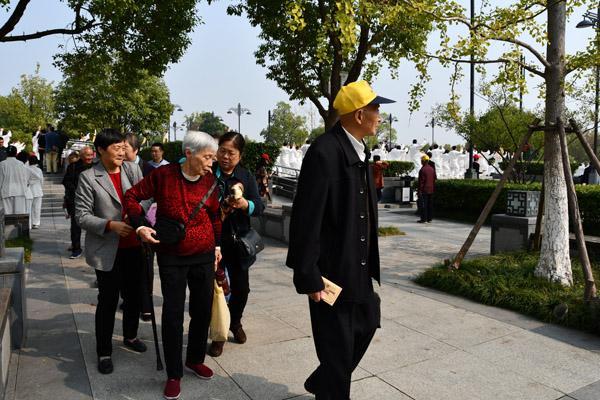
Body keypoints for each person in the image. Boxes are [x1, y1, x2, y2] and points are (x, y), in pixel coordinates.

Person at [287, 80, 391, 400]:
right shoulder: (324, 152)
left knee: (369, 320)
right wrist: (309, 275)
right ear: (359, 115)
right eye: (376, 109)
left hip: (356, 269)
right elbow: (306, 218)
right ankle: (328, 382)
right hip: (330, 274)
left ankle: (323, 378)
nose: (380, 116)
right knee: (337, 354)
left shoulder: (359, 151)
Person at [124, 131, 222, 400]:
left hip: (203, 255)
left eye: (213, 157)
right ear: (189, 153)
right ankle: (174, 373)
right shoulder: (163, 177)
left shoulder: (210, 180)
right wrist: (141, 226)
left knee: (202, 311)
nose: (211, 163)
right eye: (207, 157)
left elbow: (215, 215)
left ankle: (194, 359)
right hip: (172, 256)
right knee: (173, 314)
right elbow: (131, 197)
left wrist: (217, 246)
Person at [75, 129, 147, 375]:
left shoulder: (132, 169)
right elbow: (82, 216)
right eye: (116, 147)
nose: (121, 151)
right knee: (108, 301)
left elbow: (146, 198)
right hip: (107, 249)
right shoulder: (88, 177)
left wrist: (136, 212)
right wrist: (110, 225)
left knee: (134, 297)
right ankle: (104, 351)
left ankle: (130, 336)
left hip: (135, 246)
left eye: (123, 147)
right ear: (101, 151)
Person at [208, 131, 265, 358]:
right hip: (213, 242)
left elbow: (259, 208)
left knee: (242, 289)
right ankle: (218, 336)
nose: (225, 157)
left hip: (238, 243)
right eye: (222, 151)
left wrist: (244, 204)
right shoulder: (209, 173)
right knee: (217, 292)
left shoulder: (246, 176)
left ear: (240, 155)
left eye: (231, 153)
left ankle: (235, 322)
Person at [63, 147, 94, 258]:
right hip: (76, 200)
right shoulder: (73, 167)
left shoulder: (96, 166)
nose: (90, 157)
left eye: (91, 155)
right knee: (75, 226)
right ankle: (76, 248)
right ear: (81, 156)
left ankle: (94, 248)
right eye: (87, 155)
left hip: (93, 201)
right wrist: (77, 191)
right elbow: (66, 182)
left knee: (94, 225)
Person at [0, 145, 33, 215]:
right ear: (16, 153)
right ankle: (18, 226)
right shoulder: (21, 164)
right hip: (20, 191)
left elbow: (1, 180)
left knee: (7, 215)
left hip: (6, 191)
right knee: (19, 214)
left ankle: (9, 226)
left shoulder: (2, 164)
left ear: (6, 153)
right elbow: (25, 179)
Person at [417, 154, 436, 224]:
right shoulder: (432, 169)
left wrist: (419, 191)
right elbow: (434, 179)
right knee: (430, 205)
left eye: (421, 161)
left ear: (424, 161)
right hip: (431, 189)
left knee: (423, 205)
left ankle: (424, 219)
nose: (421, 162)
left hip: (424, 190)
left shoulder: (422, 170)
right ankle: (429, 218)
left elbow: (421, 182)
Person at [27, 155, 44, 229]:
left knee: (29, 208)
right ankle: (36, 223)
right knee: (37, 208)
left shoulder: (26, 169)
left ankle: (29, 223)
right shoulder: (39, 170)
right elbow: (41, 181)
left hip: (29, 190)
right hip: (38, 190)